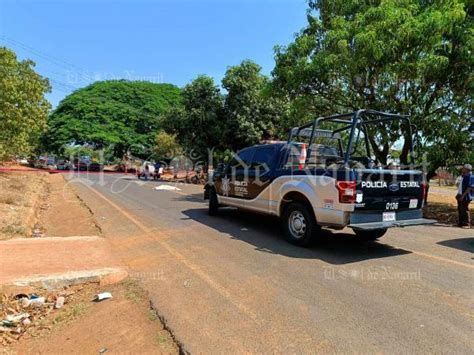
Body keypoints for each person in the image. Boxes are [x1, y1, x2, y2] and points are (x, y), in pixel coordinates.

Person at [456, 163, 472, 228]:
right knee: (460, 209)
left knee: (464, 209)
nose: (462, 169)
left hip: (465, 196)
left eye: (463, 168)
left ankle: (466, 223)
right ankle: (461, 222)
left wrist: (463, 196)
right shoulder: (463, 176)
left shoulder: (469, 176)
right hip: (460, 195)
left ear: (466, 169)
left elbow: (469, 188)